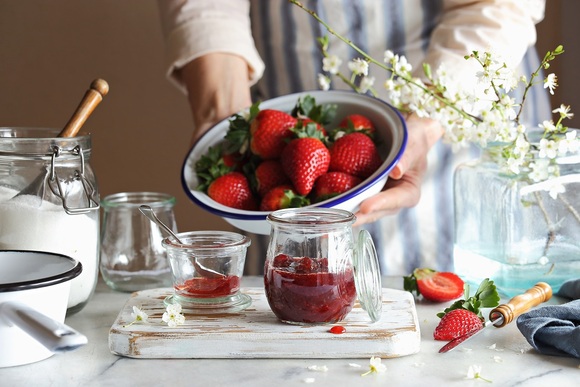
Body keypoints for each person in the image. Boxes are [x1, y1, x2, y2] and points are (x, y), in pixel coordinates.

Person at [156, 0, 550, 275]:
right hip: (292, 118)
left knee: (473, 324)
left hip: (461, 104)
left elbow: (496, 5)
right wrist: (224, 119)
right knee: (304, 317)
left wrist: (429, 118)